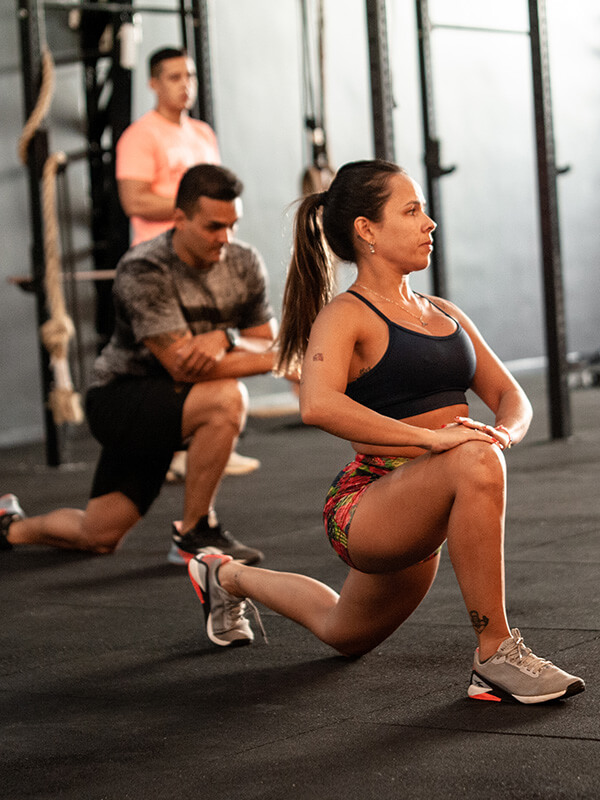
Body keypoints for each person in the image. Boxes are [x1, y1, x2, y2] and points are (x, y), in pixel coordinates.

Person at [184, 159, 585, 705]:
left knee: (342, 632)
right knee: (474, 460)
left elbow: (511, 396)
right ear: (366, 230)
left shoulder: (443, 312)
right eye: (412, 210)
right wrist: (437, 442)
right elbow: (318, 405)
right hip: (367, 504)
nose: (430, 224)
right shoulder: (345, 315)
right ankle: (495, 656)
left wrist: (504, 434)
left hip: (426, 498)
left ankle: (224, 577)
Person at [1, 164, 285, 566]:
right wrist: (281, 360)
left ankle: (9, 525)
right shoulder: (143, 267)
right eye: (213, 227)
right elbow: (183, 367)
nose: (225, 238)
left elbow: (264, 336)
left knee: (98, 535)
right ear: (179, 219)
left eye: (232, 225)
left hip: (178, 404)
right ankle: (194, 533)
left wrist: (227, 337)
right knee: (226, 398)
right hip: (122, 400)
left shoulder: (243, 262)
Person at [115, 45, 259, 477]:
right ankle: (173, 445)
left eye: (190, 76)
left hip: (203, 261)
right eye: (174, 77)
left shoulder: (202, 134)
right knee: (176, 358)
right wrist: (193, 211)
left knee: (210, 347)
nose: (185, 85)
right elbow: (134, 199)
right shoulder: (140, 136)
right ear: (153, 84)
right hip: (162, 262)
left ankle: (213, 437)